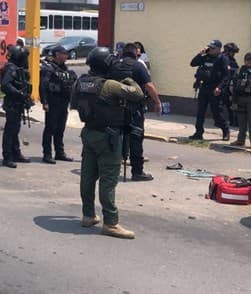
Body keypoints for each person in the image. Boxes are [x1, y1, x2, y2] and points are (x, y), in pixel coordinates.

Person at [72, 47, 145, 239]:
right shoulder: (110, 85)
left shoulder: (80, 82)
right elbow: (137, 93)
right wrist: (128, 79)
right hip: (108, 137)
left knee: (87, 177)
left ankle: (88, 215)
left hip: (88, 133)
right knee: (108, 180)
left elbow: (74, 103)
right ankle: (111, 223)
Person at [109, 42, 161, 181]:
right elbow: (149, 86)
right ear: (135, 53)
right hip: (133, 109)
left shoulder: (114, 65)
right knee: (136, 138)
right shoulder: (138, 65)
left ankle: (109, 168)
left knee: (114, 136)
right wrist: (157, 102)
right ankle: (137, 172)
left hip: (115, 108)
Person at [39, 45, 77, 164]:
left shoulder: (65, 69)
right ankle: (47, 154)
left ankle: (59, 153)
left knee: (60, 129)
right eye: (63, 53)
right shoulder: (48, 68)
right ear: (57, 54)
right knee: (50, 128)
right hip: (52, 102)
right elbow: (43, 86)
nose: (66, 55)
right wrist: (44, 102)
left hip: (63, 103)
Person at [190, 39, 231, 140]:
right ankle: (198, 133)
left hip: (215, 88)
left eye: (212, 48)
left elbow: (226, 76)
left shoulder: (223, 58)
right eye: (209, 47)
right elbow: (193, 63)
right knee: (200, 112)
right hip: (204, 87)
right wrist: (200, 54)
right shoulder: (205, 57)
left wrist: (219, 87)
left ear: (218, 49)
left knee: (216, 113)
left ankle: (225, 130)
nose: (210, 49)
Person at [0, 44, 33, 168]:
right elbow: (5, 85)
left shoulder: (18, 68)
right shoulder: (10, 68)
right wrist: (18, 93)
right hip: (12, 103)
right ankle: (7, 157)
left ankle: (16, 153)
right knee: (10, 130)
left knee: (15, 129)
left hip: (18, 103)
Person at [222, 42, 240, 128]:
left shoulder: (232, 59)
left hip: (230, 85)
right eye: (233, 52)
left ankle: (233, 121)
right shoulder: (222, 58)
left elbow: (235, 69)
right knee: (222, 104)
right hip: (222, 85)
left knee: (230, 104)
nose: (234, 54)